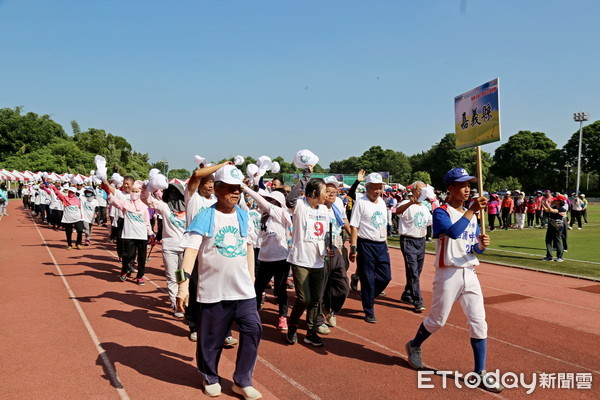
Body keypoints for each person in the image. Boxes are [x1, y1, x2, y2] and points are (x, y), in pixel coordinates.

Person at [405, 167, 503, 393]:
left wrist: (481, 246)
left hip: (469, 272)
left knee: (479, 322)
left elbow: (469, 246)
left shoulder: (473, 214)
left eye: (469, 184)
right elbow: (453, 233)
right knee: (437, 321)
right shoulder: (441, 212)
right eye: (462, 185)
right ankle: (414, 345)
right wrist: (471, 212)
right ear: (450, 188)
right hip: (447, 274)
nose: (467, 189)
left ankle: (480, 372)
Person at [175, 165, 262, 400]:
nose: (236, 193)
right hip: (213, 290)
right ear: (218, 189)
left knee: (253, 330)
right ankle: (210, 376)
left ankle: (242, 380)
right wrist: (183, 287)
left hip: (243, 290)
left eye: (239, 189)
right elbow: (190, 253)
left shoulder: (243, 215)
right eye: (231, 189)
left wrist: (252, 278)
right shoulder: (206, 216)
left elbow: (248, 247)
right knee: (211, 339)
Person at [285, 165, 331, 347]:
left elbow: (325, 233)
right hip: (300, 260)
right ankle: (292, 325)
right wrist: (306, 176)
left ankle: (311, 332)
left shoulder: (324, 210)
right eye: (324, 191)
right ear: (313, 193)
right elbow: (290, 199)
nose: (327, 194)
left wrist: (328, 248)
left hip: (318, 260)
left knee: (315, 300)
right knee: (304, 298)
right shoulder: (301, 207)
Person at [349, 172, 391, 324]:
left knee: (386, 276)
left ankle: (369, 295)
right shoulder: (361, 202)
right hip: (365, 244)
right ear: (367, 188)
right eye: (374, 188)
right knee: (367, 279)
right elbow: (354, 226)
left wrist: (385, 242)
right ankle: (369, 310)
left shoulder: (382, 202)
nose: (377, 191)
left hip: (381, 245)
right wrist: (353, 248)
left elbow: (384, 225)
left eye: (379, 188)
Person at [142, 182, 187, 318]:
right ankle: (175, 305)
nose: (174, 196)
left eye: (177, 193)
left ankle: (184, 300)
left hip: (186, 249)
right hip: (170, 248)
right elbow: (146, 200)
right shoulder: (164, 206)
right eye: (171, 192)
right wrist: (146, 188)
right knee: (172, 277)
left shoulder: (190, 208)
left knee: (183, 278)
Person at [315, 176, 351, 331]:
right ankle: (317, 319)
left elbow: (344, 222)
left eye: (334, 191)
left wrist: (354, 239)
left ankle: (329, 309)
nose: (331, 194)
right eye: (327, 191)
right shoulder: (316, 207)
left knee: (342, 286)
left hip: (337, 248)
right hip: (321, 251)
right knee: (320, 286)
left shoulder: (337, 205)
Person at [104, 179, 154, 285]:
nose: (134, 194)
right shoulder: (125, 204)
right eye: (133, 191)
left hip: (141, 236)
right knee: (127, 256)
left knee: (141, 258)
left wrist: (151, 233)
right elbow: (114, 201)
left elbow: (147, 222)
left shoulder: (144, 207)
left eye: (137, 192)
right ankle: (124, 270)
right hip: (129, 235)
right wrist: (108, 192)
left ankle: (140, 276)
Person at [396, 181, 432, 313]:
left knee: (417, 271)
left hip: (421, 241)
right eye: (420, 190)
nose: (423, 193)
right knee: (413, 272)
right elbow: (397, 211)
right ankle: (418, 301)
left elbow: (430, 222)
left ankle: (407, 294)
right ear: (414, 190)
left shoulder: (424, 207)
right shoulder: (405, 204)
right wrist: (410, 203)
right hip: (408, 240)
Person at [49, 185, 84, 249]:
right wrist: (54, 188)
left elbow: (80, 208)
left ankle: (78, 243)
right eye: (70, 192)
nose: (71, 193)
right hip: (68, 218)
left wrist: (81, 215)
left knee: (80, 230)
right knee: (68, 232)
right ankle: (69, 244)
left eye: (72, 192)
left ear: (75, 193)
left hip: (77, 218)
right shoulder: (65, 199)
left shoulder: (78, 200)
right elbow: (58, 194)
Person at [541, 195, 567, 262]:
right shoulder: (555, 206)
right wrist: (543, 204)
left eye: (556, 200)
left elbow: (552, 210)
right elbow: (547, 210)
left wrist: (547, 204)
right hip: (551, 225)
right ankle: (549, 256)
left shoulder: (562, 209)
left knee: (558, 241)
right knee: (548, 240)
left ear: (559, 201)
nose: (554, 201)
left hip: (558, 227)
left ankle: (560, 257)